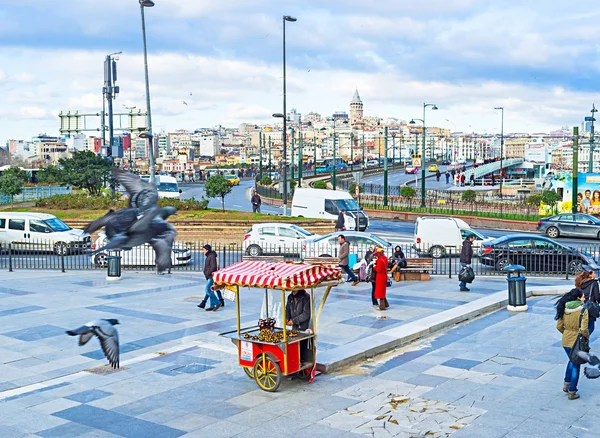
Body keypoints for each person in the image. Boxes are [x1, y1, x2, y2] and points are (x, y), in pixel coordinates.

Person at [555, 288, 589, 400]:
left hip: (565, 340)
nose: (584, 298)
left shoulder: (565, 308)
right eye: (583, 296)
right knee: (576, 365)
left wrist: (566, 333)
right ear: (578, 298)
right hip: (577, 341)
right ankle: (572, 391)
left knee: (571, 360)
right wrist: (586, 337)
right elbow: (584, 329)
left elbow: (559, 326)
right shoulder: (583, 310)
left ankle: (566, 384)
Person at [286, 289, 311, 363]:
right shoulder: (290, 297)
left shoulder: (306, 297)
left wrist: (294, 321)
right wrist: (287, 318)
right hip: (294, 327)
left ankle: (302, 362)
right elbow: (287, 309)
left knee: (302, 346)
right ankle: (296, 362)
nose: (293, 290)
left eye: (295, 289)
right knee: (295, 345)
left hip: (303, 327)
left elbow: (306, 314)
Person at [576, 265, 600, 334]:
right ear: (590, 274)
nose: (595, 274)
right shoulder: (594, 283)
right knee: (590, 327)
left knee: (583, 326)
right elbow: (597, 298)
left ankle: (583, 342)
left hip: (581, 306)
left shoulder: (580, 282)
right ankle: (582, 340)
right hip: (590, 307)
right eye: (593, 273)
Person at [198, 244, 223, 311]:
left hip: (211, 276)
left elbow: (213, 267)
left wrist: (207, 273)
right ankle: (212, 305)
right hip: (209, 276)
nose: (203, 251)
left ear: (207, 250)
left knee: (207, 290)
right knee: (211, 290)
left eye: (204, 250)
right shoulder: (209, 256)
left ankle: (218, 303)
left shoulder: (211, 256)